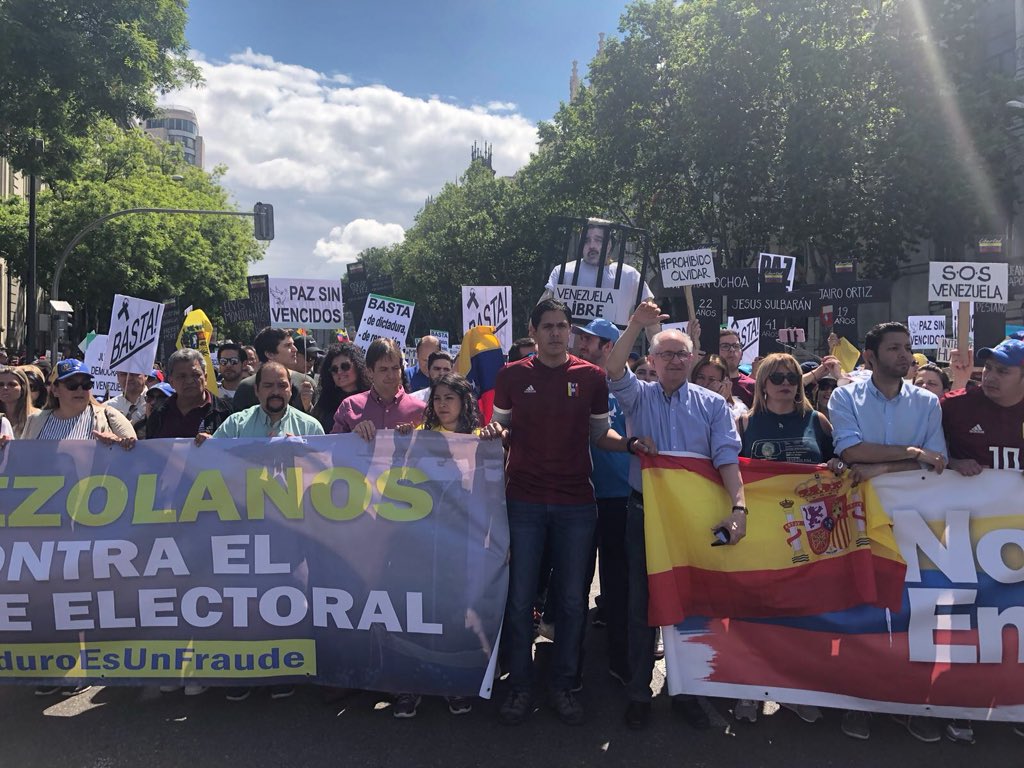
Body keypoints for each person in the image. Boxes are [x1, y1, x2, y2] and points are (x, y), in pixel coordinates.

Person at [480, 298, 641, 728]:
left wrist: (628, 444)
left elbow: (600, 434)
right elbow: (500, 428)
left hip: (576, 503)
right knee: (518, 600)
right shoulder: (512, 375)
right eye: (547, 325)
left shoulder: (591, 378)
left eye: (562, 326)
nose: (555, 332)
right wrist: (493, 432)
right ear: (533, 331)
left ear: (569, 331)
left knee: (571, 601)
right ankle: (519, 685)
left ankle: (564, 684)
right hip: (524, 500)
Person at [605, 299, 746, 731]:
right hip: (643, 515)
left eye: (680, 354)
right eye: (664, 354)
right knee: (640, 606)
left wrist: (739, 507)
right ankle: (637, 692)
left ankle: (687, 690)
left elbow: (727, 458)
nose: (672, 360)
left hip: (692, 520)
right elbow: (611, 370)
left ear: (693, 358)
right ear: (650, 360)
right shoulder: (637, 395)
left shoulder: (712, 405)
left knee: (691, 605)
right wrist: (634, 324)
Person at [827, 321, 947, 743]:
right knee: (863, 612)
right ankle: (862, 702)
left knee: (913, 613)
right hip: (858, 520)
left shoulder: (927, 403)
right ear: (870, 354)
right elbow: (851, 449)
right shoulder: (845, 396)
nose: (904, 355)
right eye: (895, 348)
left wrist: (883, 467)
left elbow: (938, 461)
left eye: (908, 347)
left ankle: (913, 702)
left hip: (916, 521)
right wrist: (912, 452)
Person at [732, 353, 839, 725]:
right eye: (776, 377)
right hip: (760, 536)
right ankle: (749, 690)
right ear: (762, 382)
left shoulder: (818, 422)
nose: (785, 383)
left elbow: (836, 467)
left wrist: (838, 465)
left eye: (792, 377)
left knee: (801, 618)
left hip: (806, 537)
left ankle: (794, 690)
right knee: (755, 616)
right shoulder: (744, 423)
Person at [22, 359, 136, 698]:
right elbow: (20, 462)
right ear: (55, 390)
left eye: (86, 384)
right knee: (50, 591)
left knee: (84, 592)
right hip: (45, 521)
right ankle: (55, 662)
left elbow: (135, 449)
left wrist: (119, 443)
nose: (81, 390)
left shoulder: (106, 416)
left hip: (94, 519)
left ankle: (81, 665)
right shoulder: (36, 422)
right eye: (72, 384)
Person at [941, 337, 1024, 745]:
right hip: (964, 545)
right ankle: (962, 708)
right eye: (988, 368)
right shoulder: (956, 407)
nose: (989, 377)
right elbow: (925, 458)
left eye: (1003, 371)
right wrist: (951, 462)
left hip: (1017, 549)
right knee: (968, 625)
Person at [388, 373, 483, 719]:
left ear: (464, 403)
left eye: (450, 398)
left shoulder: (479, 441)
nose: (442, 405)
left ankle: (451, 684)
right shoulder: (419, 439)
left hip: (460, 546)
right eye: (437, 399)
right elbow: (398, 482)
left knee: (452, 614)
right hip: (418, 543)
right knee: (416, 613)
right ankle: (409, 686)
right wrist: (399, 445)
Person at [570, 318, 631, 689]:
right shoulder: (569, 380)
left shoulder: (628, 389)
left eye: (587, 340)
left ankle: (621, 658)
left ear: (609, 347)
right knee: (572, 585)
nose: (579, 344)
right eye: (579, 338)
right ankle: (569, 662)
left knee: (619, 583)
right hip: (574, 496)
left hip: (618, 499)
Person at [541, 219, 658, 336]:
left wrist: (657, 349)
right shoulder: (563, 271)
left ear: (608, 245)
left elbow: (650, 317)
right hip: (570, 351)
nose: (592, 245)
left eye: (598, 240)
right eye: (586, 241)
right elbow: (542, 309)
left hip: (614, 352)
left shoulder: (629, 275)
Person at [199, 362, 325, 441]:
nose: (275, 392)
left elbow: (324, 470)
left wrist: (303, 454)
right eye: (268, 385)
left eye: (282, 386)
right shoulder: (236, 425)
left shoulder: (311, 428)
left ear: (291, 389)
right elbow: (215, 460)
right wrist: (209, 445)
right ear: (256, 390)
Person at [333, 338, 426, 438]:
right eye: (383, 369)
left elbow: (433, 449)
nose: (390, 375)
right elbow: (331, 447)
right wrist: (353, 437)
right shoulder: (350, 407)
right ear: (369, 372)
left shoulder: (421, 410)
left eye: (395, 368)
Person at [143, 348, 233, 439]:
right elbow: (150, 451)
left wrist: (215, 443)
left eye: (195, 375)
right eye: (182, 376)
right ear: (171, 382)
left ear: (205, 378)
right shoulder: (158, 415)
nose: (189, 381)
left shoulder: (227, 412)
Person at [231, 328, 315, 413]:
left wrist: (308, 407)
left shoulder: (306, 383)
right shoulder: (247, 387)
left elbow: (319, 422)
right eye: (288, 345)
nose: (295, 349)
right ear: (270, 354)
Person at [310, 342, 371, 434]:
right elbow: (312, 432)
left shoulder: (373, 399)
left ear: (358, 366)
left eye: (345, 366)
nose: (339, 372)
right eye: (334, 369)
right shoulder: (323, 404)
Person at [692, 355, 747, 421]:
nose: (705, 384)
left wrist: (719, 403)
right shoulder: (685, 405)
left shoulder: (738, 411)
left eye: (712, 380)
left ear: (724, 383)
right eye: (701, 377)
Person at [718, 328, 755, 407]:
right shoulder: (707, 383)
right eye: (725, 346)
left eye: (736, 346)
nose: (732, 350)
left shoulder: (753, 386)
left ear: (741, 354)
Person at [0, 365, 37, 438]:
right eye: (0, 384)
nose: (5, 388)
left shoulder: (38, 418)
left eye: (12, 384)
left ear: (23, 388)